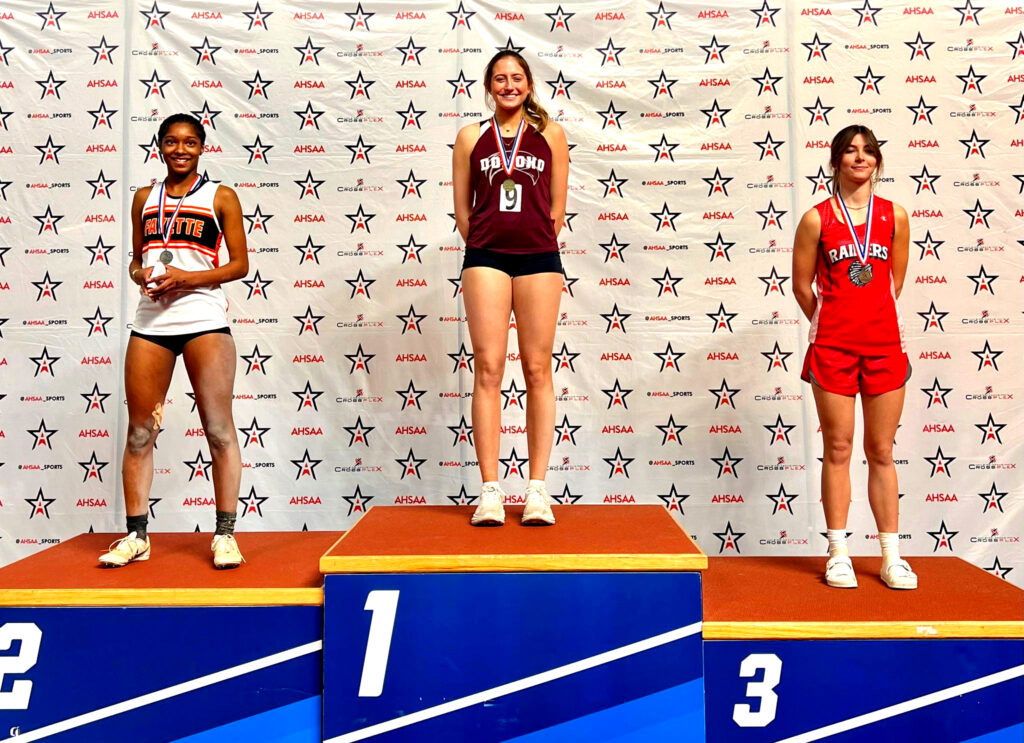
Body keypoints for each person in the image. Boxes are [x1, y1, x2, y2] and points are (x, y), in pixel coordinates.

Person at [100, 114, 249, 568]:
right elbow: (135, 262)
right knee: (141, 432)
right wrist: (142, 273)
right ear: (160, 147)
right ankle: (136, 535)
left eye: (189, 142)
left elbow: (239, 265)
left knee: (219, 431)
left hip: (203, 316)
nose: (180, 149)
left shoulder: (220, 196)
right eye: (171, 141)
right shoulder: (144, 198)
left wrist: (187, 278)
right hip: (152, 322)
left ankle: (224, 535)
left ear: (202, 148)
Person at [792, 124, 917, 590]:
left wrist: (868, 315)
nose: (859, 158)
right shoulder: (817, 219)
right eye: (849, 151)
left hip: (884, 345)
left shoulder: (895, 217)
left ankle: (890, 555)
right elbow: (802, 286)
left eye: (867, 151)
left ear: (878, 161)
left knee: (881, 450)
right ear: (836, 161)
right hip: (834, 347)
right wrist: (833, 319)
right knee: (838, 448)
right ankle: (839, 551)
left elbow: (893, 283)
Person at [452, 51, 569, 526]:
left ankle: (537, 490)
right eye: (500, 78)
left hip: (539, 257)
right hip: (486, 259)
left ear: (528, 84)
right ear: (488, 85)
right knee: (489, 369)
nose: (508, 85)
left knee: (539, 369)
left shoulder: (550, 135)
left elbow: (556, 209)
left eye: (516, 78)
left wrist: (531, 240)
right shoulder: (470, 138)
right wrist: (486, 243)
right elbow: (463, 210)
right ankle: (491, 490)